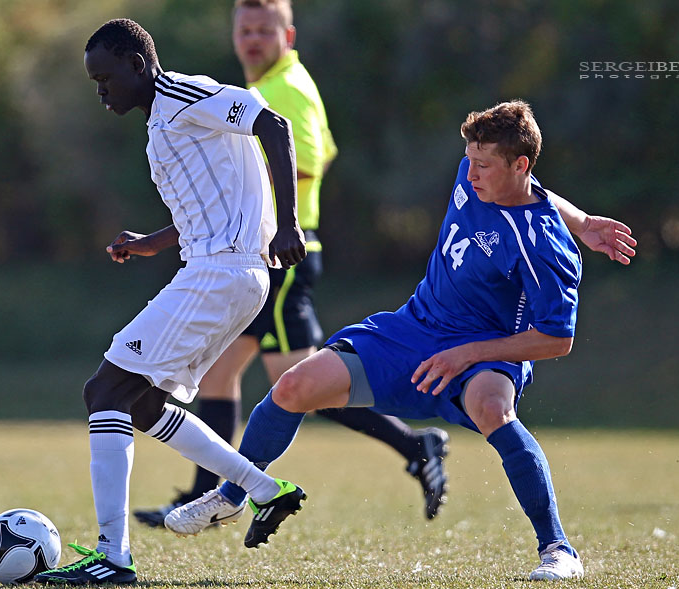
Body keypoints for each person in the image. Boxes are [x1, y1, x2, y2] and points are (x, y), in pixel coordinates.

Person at [166, 100, 637, 578]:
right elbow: (540, 192)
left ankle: (558, 550)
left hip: (486, 348)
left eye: (484, 165)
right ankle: (230, 497)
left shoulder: (543, 246)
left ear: (520, 164)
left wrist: (467, 354)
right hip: (412, 328)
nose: (470, 174)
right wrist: (582, 219)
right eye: (469, 160)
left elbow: (556, 340)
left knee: (493, 409)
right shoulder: (483, 175)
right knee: (292, 388)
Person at [134, 0, 450, 529]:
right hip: (266, 254)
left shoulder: (286, 90)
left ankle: (415, 443)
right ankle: (201, 494)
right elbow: (325, 152)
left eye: (264, 30)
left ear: (289, 35)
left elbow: (304, 163)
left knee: (304, 386)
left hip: (280, 256)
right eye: (245, 30)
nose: (253, 40)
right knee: (219, 373)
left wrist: (274, 217)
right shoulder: (278, 86)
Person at [32, 18, 310, 586]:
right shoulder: (160, 126)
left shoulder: (183, 96)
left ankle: (113, 558)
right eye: (94, 82)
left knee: (103, 390)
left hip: (223, 273)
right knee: (138, 403)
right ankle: (262, 490)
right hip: (221, 274)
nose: (101, 90)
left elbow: (273, 124)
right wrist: (148, 243)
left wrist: (288, 224)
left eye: (106, 77)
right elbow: (200, 215)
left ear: (138, 65)